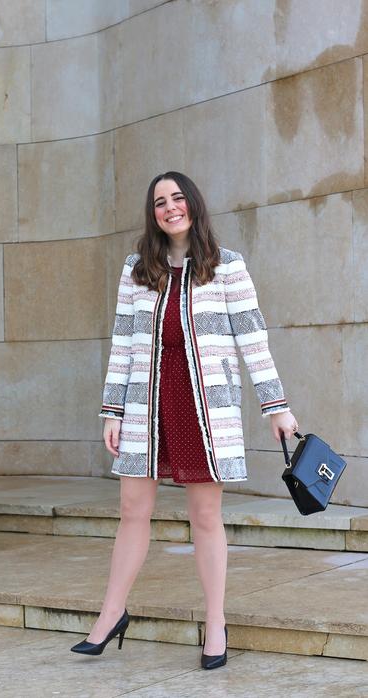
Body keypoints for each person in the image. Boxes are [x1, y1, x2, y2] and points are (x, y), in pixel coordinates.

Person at [71, 171, 298, 669]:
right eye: (159, 202)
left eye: (177, 198)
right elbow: (124, 343)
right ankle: (111, 613)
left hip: (204, 405)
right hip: (145, 402)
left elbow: (252, 339)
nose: (169, 207)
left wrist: (275, 406)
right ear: (152, 214)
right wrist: (112, 410)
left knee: (205, 517)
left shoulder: (227, 266)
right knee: (132, 510)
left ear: (193, 203)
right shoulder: (137, 269)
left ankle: (215, 625)